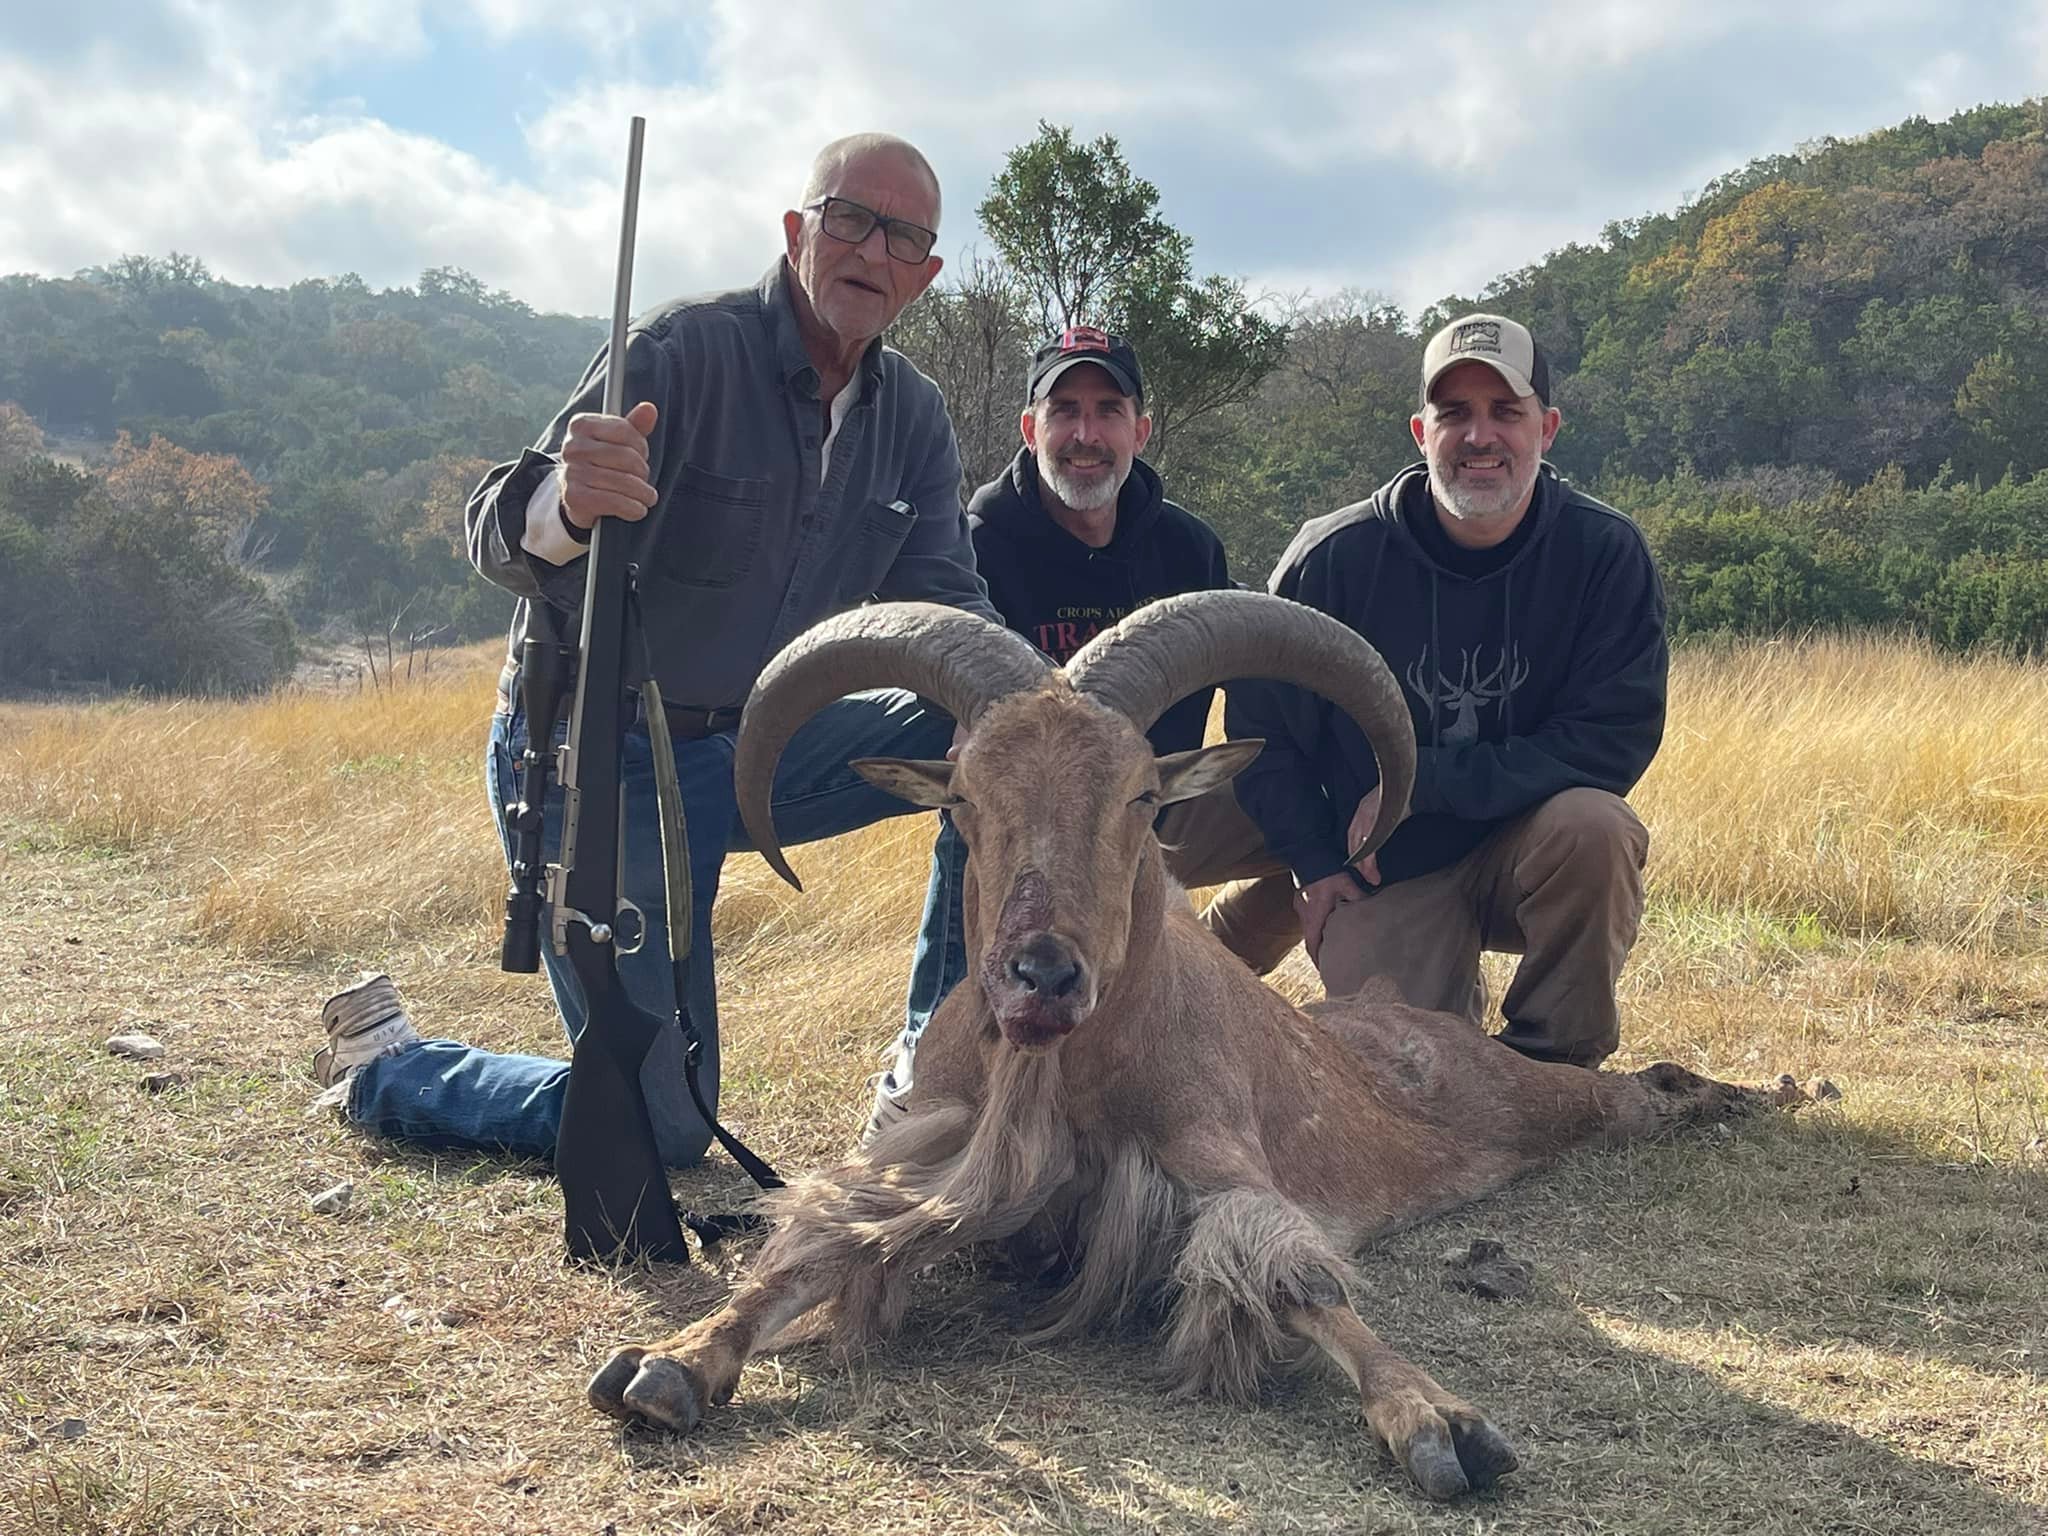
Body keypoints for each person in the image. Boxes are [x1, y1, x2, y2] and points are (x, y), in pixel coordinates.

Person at [312, 132, 1005, 1166]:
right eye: (848, 218)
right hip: (605, 761)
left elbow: (948, 607)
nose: (871, 249)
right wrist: (568, 503)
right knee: (663, 1129)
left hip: (759, 752)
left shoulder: (910, 412)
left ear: (926, 274)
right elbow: (494, 526)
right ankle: (389, 1070)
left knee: (996, 736)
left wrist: (1030, 709)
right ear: (796, 230)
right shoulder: (681, 352)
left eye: (902, 235)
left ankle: (934, 1065)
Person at [1216, 313, 1668, 1068]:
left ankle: (1551, 1066)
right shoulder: (1331, 561)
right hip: (1386, 870)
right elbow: (1267, 732)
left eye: (1506, 412)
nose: (1480, 437)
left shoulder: (1604, 554)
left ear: (1548, 429)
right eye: (1454, 413)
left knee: (1600, 828)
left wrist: (1421, 781)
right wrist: (1315, 862)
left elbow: (1612, 736)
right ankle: (1224, 954)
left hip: (1529, 853)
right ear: (1420, 432)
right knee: (1402, 1073)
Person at [864, 326, 1276, 1139]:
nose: (1085, 435)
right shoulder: (979, 540)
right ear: (1031, 427)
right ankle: (926, 1044)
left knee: (1310, 824)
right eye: (1064, 410)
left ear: (1139, 431)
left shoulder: (1188, 547)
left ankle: (1199, 978)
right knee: (979, 821)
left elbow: (1232, 706)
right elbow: (938, 684)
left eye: (1108, 410)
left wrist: (1336, 846)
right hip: (1025, 817)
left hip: (1145, 803)